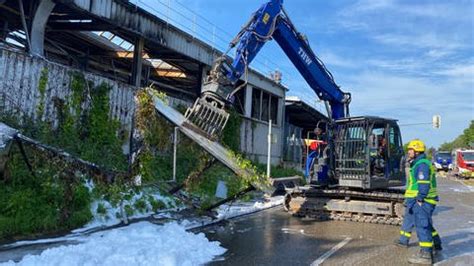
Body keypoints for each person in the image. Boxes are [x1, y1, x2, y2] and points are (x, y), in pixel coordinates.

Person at [395, 139, 441, 264]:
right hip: (414, 200)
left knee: (422, 225)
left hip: (422, 200)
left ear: (416, 151)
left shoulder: (421, 165)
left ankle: (425, 255)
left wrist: (420, 198)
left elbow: (423, 184)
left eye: (410, 150)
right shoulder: (417, 163)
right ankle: (404, 241)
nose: (408, 152)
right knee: (410, 219)